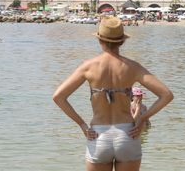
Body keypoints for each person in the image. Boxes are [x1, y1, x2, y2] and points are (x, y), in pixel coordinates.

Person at [53, 16, 174, 170]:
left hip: (98, 136)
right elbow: (166, 95)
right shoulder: (132, 67)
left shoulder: (88, 67)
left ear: (100, 40)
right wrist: (143, 118)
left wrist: (82, 125)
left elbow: (58, 97)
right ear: (122, 41)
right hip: (128, 135)